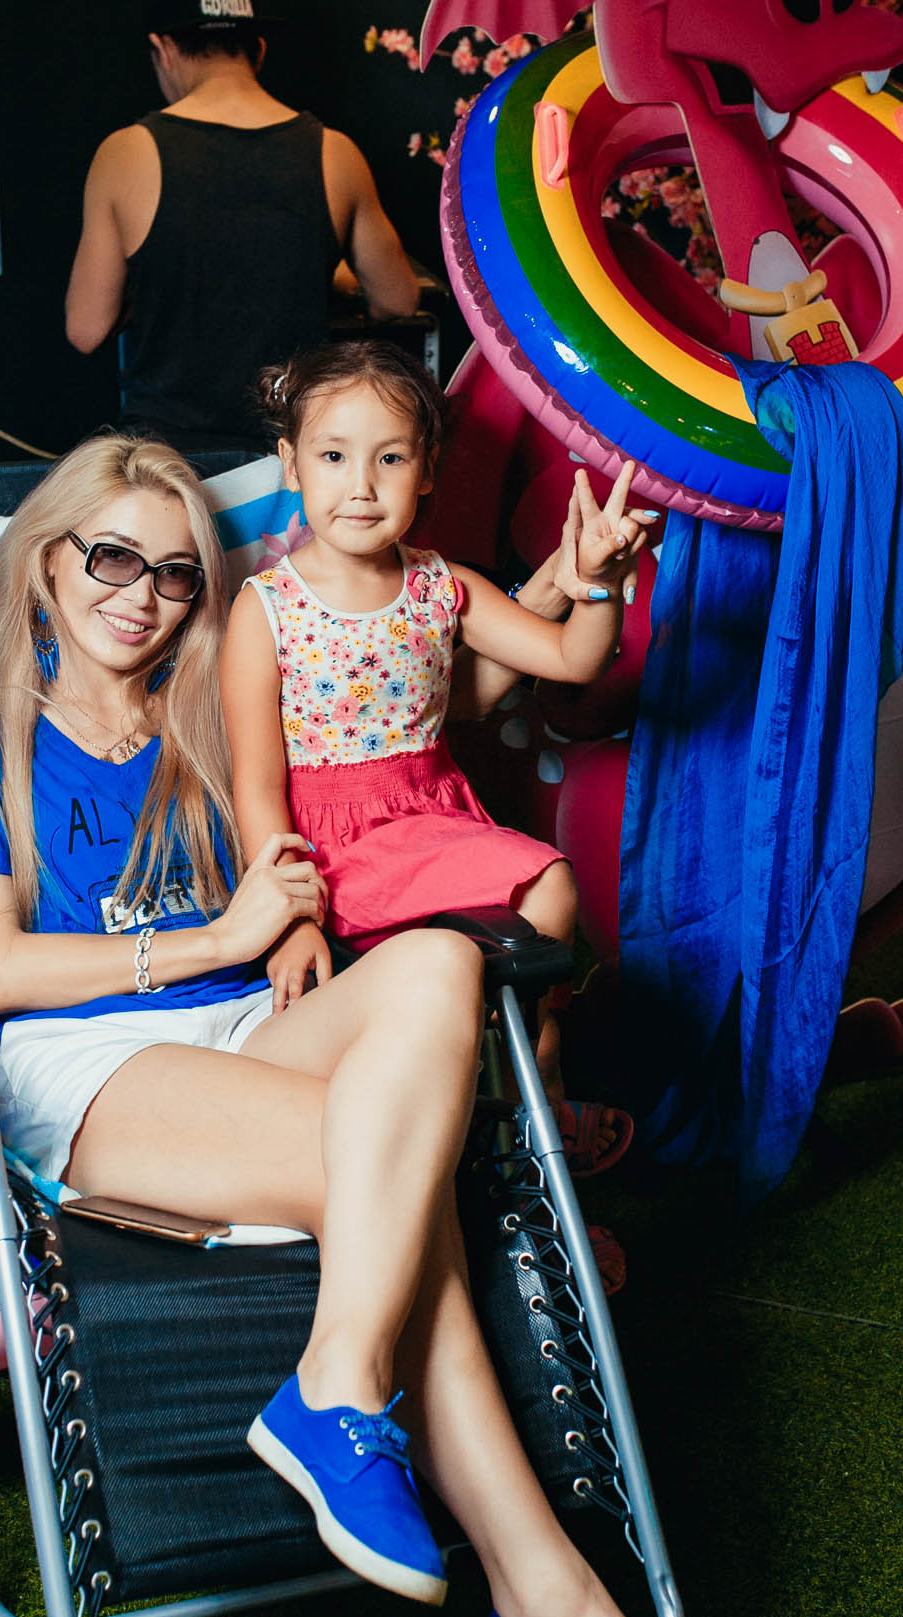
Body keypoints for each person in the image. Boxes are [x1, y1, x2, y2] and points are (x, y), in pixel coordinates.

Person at [0, 431, 746, 1617]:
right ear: (46, 565)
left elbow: (418, 685)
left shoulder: (208, 717)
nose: (140, 595)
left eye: (174, 573)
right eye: (110, 557)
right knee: (400, 1179)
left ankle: (344, 1385)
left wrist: (570, 580)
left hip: (248, 1023)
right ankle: (552, 1611)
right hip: (86, 1061)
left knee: (437, 966)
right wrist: (216, 935)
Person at [219, 341, 653, 1146]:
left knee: (540, 901)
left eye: (389, 458)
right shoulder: (265, 608)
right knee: (545, 883)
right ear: (290, 464)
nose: (360, 484)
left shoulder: (440, 586)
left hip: (436, 825)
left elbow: (572, 658)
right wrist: (289, 919)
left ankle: (527, 1089)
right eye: (333, 456)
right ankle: (521, 1089)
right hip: (328, 853)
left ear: (425, 471)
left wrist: (597, 584)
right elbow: (255, 784)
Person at [65, 0, 418, 458]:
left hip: (168, 463)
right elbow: (397, 300)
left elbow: (86, 329)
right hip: (290, 454)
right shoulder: (335, 152)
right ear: (259, 49)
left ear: (164, 49)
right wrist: (322, 272)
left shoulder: (126, 152)